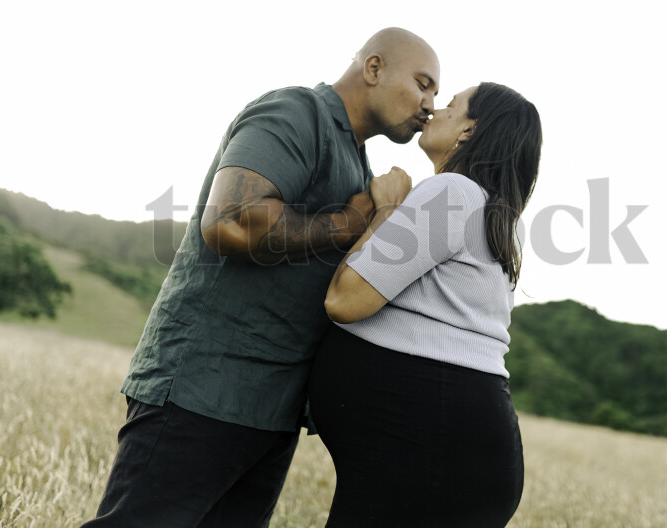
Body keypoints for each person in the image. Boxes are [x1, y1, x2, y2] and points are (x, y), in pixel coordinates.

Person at [81, 27, 440, 528]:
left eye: (437, 95)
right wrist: (350, 223)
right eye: (423, 83)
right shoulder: (296, 113)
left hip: (273, 412)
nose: (429, 104)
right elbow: (230, 220)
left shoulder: (359, 166)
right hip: (205, 390)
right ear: (374, 68)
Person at [309, 82, 542, 527]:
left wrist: (386, 209)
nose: (435, 109)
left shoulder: (451, 192)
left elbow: (344, 299)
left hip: (426, 451)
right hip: (450, 447)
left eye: (451, 105)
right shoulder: (496, 214)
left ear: (470, 131)